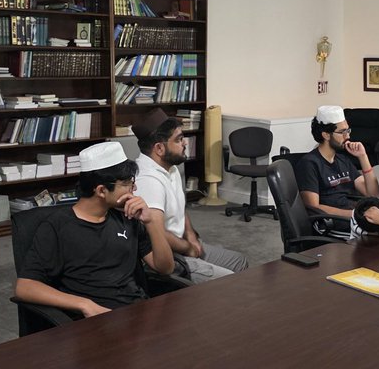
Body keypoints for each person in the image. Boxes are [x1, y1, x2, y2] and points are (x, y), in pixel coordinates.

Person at [14, 141, 174, 318]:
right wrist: (84, 305)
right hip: (96, 324)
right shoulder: (58, 226)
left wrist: (150, 221)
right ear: (102, 190)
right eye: (127, 183)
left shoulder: (127, 217)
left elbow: (165, 268)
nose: (134, 188)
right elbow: (25, 286)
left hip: (137, 313)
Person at [133, 108, 248, 281]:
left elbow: (180, 209)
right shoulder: (148, 180)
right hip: (170, 255)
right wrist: (188, 248)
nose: (185, 143)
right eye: (179, 139)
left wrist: (191, 236)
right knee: (230, 282)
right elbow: (157, 232)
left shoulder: (169, 168)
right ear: (159, 148)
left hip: (183, 244)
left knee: (239, 262)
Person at [296, 105, 379, 219]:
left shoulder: (343, 160)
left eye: (348, 130)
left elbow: (373, 194)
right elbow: (313, 208)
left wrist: (363, 156)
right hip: (333, 221)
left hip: (353, 215)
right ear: (326, 135)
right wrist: (355, 215)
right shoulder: (309, 164)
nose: (348, 136)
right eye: (342, 132)